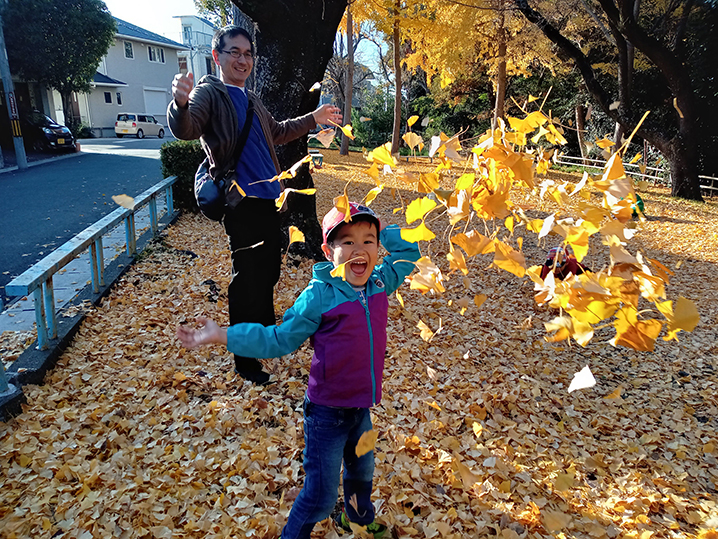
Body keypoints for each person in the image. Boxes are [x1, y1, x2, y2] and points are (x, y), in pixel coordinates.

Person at [177, 203, 421, 539]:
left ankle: (357, 520)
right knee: (320, 496)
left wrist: (384, 228)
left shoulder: (380, 282)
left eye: (368, 241)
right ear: (327, 250)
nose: (359, 250)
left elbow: (410, 250)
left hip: (362, 410)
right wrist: (223, 335)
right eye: (347, 242)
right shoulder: (319, 296)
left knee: (362, 472)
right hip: (326, 415)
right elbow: (277, 339)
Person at [167, 26, 342, 385]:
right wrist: (179, 104)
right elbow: (186, 127)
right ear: (218, 57)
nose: (243, 59)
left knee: (268, 274)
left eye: (248, 53)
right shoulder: (209, 93)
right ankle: (245, 361)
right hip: (241, 202)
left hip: (270, 200)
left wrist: (314, 119)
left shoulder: (251, 100)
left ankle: (261, 339)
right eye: (235, 52)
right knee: (248, 278)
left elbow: (278, 131)